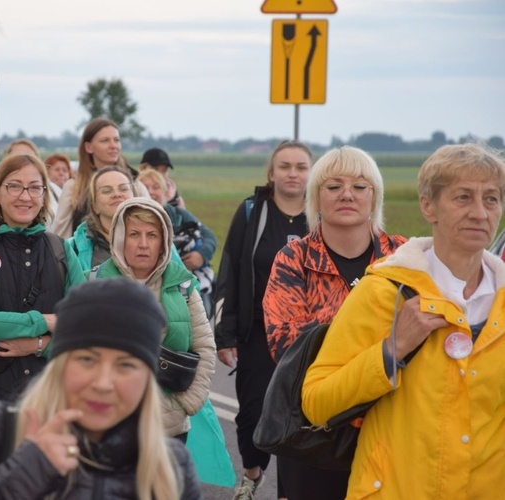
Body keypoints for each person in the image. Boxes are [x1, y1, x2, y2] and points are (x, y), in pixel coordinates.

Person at [301, 143, 505, 499]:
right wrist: (391, 351)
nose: (480, 212)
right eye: (462, 198)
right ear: (428, 206)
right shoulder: (384, 291)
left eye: (491, 199)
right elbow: (317, 402)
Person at [0, 279, 201, 499]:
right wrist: (29, 471)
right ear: (59, 365)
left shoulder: (170, 467)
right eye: (87, 359)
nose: (103, 383)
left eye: (126, 366)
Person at [262, 146, 406, 500]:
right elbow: (285, 344)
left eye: (360, 186)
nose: (347, 194)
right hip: (313, 431)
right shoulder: (293, 259)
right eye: (333, 186)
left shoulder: (402, 257)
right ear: (316, 198)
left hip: (392, 424)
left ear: (375, 198)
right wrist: (370, 328)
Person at [93, 197, 234, 486]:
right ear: (120, 238)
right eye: (134, 234)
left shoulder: (182, 287)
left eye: (152, 235)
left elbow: (205, 347)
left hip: (169, 424)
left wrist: (187, 403)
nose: (143, 243)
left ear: (164, 241)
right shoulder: (96, 284)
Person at [214, 140, 312, 500]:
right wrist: (225, 335)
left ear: (311, 173)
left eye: (300, 167)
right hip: (257, 332)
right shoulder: (252, 211)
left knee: (302, 417)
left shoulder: (321, 214)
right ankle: (253, 474)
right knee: (253, 413)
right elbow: (230, 270)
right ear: (271, 174)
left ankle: (289, 489)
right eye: (284, 166)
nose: (292, 173)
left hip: (309, 337)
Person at [0, 153, 85, 410]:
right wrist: (45, 322)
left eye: (35, 188)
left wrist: (40, 345)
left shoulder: (60, 249)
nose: (25, 196)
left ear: (44, 195)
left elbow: (85, 323)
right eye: (14, 186)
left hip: (50, 399)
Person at [138, 168, 217, 317]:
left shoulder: (178, 215)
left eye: (156, 187)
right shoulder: (131, 219)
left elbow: (209, 236)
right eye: (145, 187)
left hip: (190, 280)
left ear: (165, 192)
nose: (151, 192)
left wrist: (201, 255)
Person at [51, 118, 148, 238]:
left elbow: (151, 224)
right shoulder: (74, 187)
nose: (113, 146)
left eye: (116, 140)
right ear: (88, 147)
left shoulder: (135, 184)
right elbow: (60, 236)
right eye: (105, 141)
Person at [67, 166, 136, 272]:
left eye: (123, 189)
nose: (116, 194)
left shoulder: (159, 242)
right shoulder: (71, 249)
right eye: (106, 191)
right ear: (94, 206)